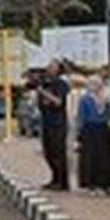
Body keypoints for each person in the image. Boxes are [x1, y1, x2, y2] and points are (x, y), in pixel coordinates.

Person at [78, 75, 110, 195]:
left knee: (104, 157)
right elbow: (82, 117)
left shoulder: (105, 99)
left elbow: (109, 115)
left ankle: (104, 184)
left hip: (101, 130)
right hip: (90, 130)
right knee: (91, 157)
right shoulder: (85, 99)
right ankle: (92, 185)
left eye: (96, 84)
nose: (94, 86)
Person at [37, 61, 72, 191]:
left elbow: (58, 102)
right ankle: (54, 178)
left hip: (57, 123)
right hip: (46, 121)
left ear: (58, 70)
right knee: (48, 152)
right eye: (48, 66)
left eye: (52, 67)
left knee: (58, 152)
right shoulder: (46, 84)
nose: (48, 69)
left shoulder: (61, 84)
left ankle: (62, 182)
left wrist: (44, 93)